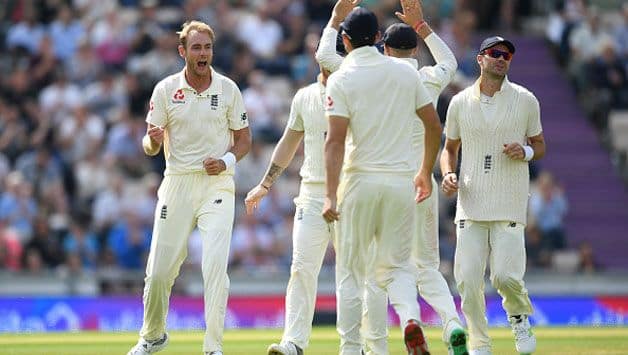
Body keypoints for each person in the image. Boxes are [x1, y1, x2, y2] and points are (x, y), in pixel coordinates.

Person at [316, 1, 468, 354]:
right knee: (411, 267)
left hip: (361, 181)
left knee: (358, 273)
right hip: (410, 181)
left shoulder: (344, 74)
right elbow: (439, 107)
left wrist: (336, 18)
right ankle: (437, 321)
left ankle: (364, 348)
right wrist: (423, 26)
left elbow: (325, 57)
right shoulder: (414, 76)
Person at [127, 21, 251, 355]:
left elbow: (243, 140)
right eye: (196, 48)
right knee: (158, 272)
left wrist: (226, 160)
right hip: (178, 182)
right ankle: (152, 336)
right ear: (183, 52)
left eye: (207, 48)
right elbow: (149, 145)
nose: (203, 54)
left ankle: (213, 347)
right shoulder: (166, 90)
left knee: (214, 267)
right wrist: (151, 143)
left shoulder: (228, 89)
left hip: (217, 184)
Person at [440, 35, 546, 355]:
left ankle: (518, 316)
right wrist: (448, 173)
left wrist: (525, 150)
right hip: (471, 202)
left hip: (509, 200)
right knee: (468, 282)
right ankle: (479, 343)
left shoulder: (526, 100)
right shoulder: (459, 102)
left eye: (507, 55)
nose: (502, 58)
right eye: (495, 53)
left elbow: (540, 145)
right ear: (480, 59)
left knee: (505, 276)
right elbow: (449, 149)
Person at [243, 52, 346, 355]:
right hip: (312, 193)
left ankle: (356, 345)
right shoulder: (305, 97)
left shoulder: (360, 93)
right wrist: (265, 183)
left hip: (350, 192)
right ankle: (293, 343)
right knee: (301, 267)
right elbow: (289, 142)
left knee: (353, 272)